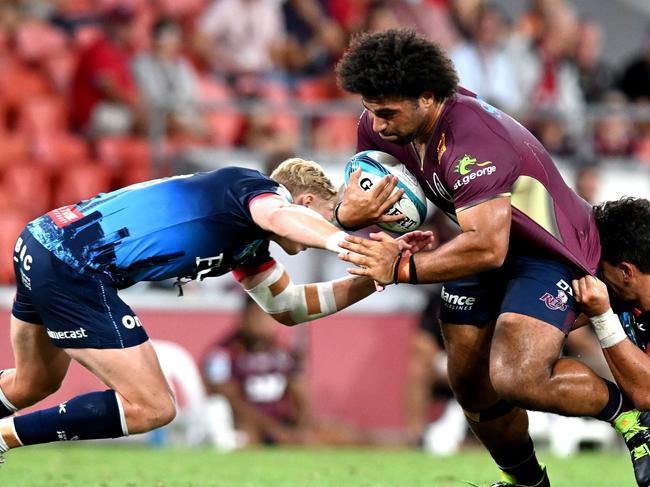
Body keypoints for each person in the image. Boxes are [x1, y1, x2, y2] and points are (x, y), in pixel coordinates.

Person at [334, 29, 649, 487]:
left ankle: (633, 420)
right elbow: (370, 202)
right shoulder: (381, 124)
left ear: (427, 97)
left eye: (387, 113)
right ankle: (526, 483)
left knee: (517, 376)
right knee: (470, 384)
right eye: (371, 110)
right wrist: (351, 216)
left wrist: (401, 268)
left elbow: (488, 244)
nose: (377, 126)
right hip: (480, 248)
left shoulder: (474, 139)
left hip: (549, 252)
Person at [0, 157, 431, 462]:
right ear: (305, 202)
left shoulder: (245, 243)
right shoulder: (254, 188)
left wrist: (375, 276)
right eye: (325, 216)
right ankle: (3, 436)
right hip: (75, 262)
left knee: (32, 383)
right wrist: (346, 243)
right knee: (152, 406)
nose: (328, 226)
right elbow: (280, 216)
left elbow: (289, 307)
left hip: (42, 241)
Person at [202, 294, 384, 446]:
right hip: (246, 426)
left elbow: (298, 391)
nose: (267, 323)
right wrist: (274, 430)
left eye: (270, 317)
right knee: (247, 436)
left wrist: (303, 426)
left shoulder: (282, 352)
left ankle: (394, 449)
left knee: (341, 433)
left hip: (284, 423)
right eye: (259, 316)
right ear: (245, 317)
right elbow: (233, 402)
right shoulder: (223, 354)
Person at [573, 197, 650, 484]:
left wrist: (602, 315)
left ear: (626, 271)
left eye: (602, 270)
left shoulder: (611, 301)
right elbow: (553, 324)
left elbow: (647, 394)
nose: (598, 277)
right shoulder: (624, 296)